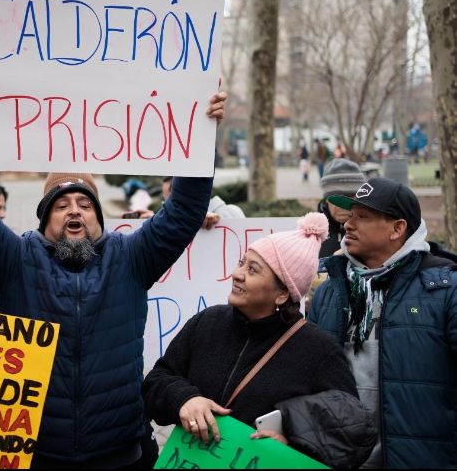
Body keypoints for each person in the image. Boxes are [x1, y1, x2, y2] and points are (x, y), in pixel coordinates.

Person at [0, 72, 227, 467]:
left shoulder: (132, 258)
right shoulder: (15, 260)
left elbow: (182, 212)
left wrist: (200, 137)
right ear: (45, 220)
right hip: (35, 454)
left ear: (99, 218)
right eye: (61, 204)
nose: (74, 210)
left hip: (118, 454)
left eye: (85, 204)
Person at [143, 213, 374, 468]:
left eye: (252, 270)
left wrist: (292, 446)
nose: (237, 274)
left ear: (282, 293)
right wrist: (184, 399)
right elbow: (156, 382)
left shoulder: (320, 351)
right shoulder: (207, 322)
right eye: (242, 263)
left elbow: (351, 428)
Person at [308, 177, 457, 468]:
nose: (349, 225)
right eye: (350, 216)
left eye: (363, 217)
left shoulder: (445, 290)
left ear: (397, 229)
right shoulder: (329, 290)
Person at [317, 158, 366, 258]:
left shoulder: (371, 230)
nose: (342, 205)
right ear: (326, 199)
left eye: (351, 196)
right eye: (336, 197)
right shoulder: (312, 232)